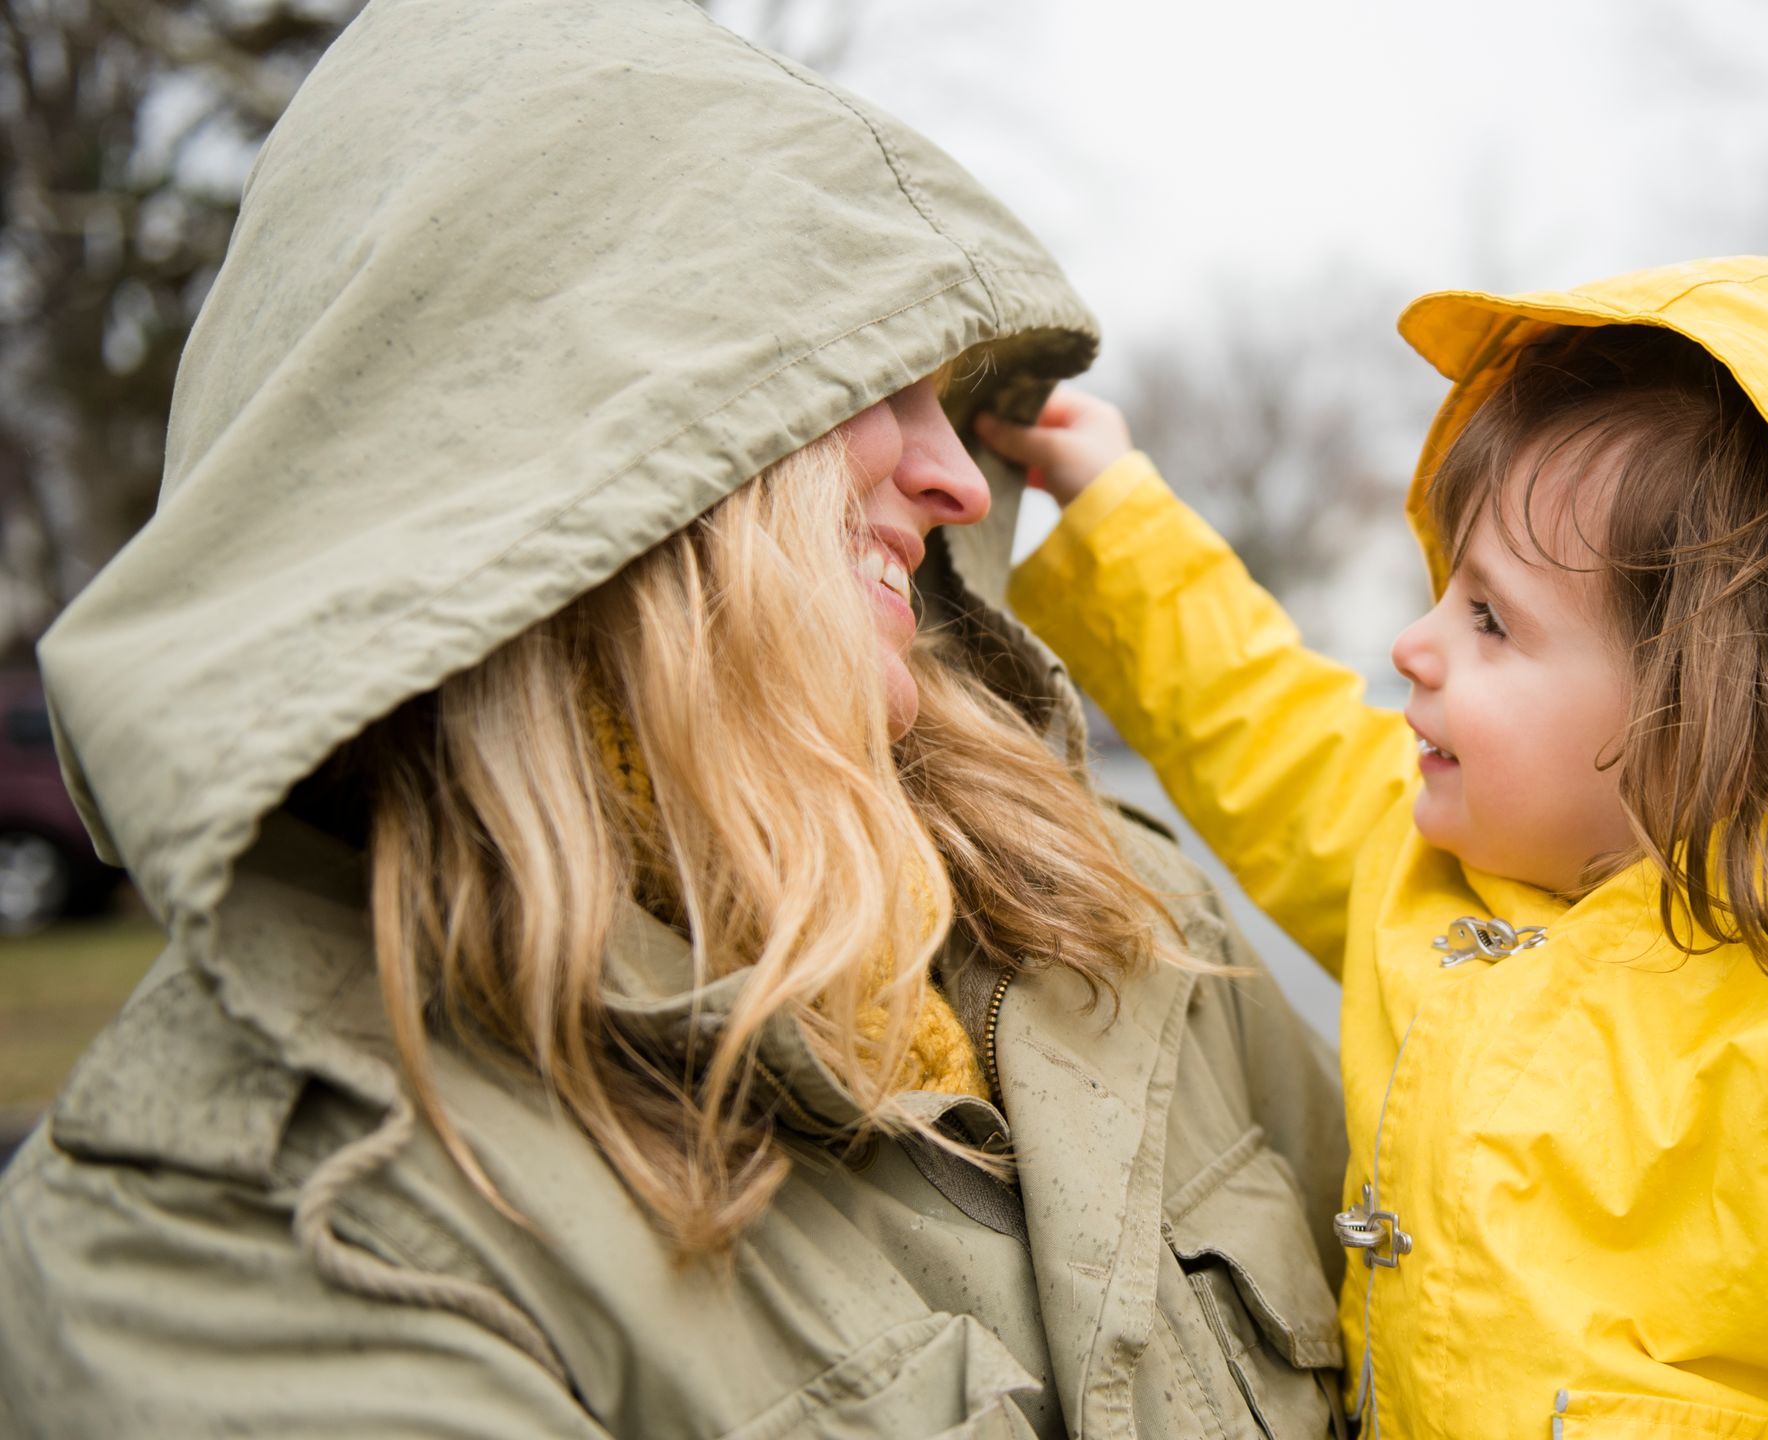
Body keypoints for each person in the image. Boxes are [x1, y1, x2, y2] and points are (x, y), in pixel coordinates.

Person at [0, 1, 1351, 1435]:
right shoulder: (261, 1241)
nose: (959, 478)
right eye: (864, 377)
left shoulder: (1120, 912)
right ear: (591, 424)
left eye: (950, 395)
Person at [984, 260, 1768, 1438]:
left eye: (1489, 618)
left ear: (1699, 706)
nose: (1412, 649)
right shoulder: (1435, 867)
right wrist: (1112, 510)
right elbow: (1264, 725)